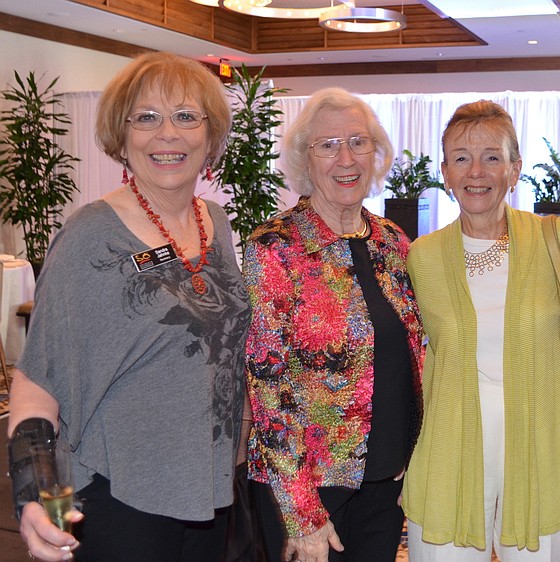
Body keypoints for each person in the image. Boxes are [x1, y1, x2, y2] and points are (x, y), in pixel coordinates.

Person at [6, 51, 251, 562]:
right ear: (122, 135)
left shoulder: (216, 223)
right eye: (147, 117)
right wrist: (36, 497)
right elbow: (36, 383)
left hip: (209, 491)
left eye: (186, 116)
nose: (168, 134)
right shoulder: (89, 237)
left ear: (210, 134)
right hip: (121, 497)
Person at [242, 86, 423, 562]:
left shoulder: (393, 242)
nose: (346, 157)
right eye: (328, 145)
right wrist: (303, 512)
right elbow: (268, 390)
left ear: (376, 153)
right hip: (310, 490)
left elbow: (417, 353)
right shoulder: (274, 247)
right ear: (306, 159)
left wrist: (413, 455)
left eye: (358, 142)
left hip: (386, 481)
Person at [402, 100, 560, 562]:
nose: (476, 171)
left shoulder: (556, 240)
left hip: (547, 454)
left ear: (514, 169)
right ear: (444, 172)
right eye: (461, 158)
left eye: (492, 156)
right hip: (449, 455)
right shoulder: (421, 258)